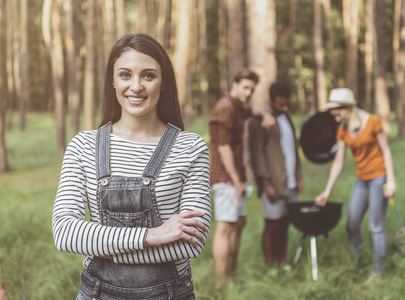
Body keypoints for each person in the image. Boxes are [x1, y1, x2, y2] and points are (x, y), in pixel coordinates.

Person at [52, 33, 211, 300]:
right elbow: (65, 232)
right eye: (125, 75)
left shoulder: (190, 147)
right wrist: (152, 236)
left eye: (148, 75)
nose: (136, 86)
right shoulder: (83, 145)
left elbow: (191, 243)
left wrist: (102, 242)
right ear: (113, 81)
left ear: (163, 84)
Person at [315, 87, 396, 283]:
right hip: (361, 181)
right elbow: (339, 162)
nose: (336, 119)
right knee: (351, 225)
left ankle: (376, 273)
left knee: (376, 226)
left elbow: (385, 150)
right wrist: (327, 190)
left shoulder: (373, 122)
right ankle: (357, 263)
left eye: (338, 114)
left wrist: (391, 180)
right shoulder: (342, 130)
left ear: (349, 108)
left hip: (379, 178)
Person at [208, 69, 275, 283]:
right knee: (225, 227)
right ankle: (221, 283)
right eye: (245, 87)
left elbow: (250, 110)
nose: (248, 92)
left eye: (251, 89)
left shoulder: (237, 107)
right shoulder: (225, 108)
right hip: (225, 178)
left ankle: (232, 273)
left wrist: (264, 114)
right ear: (234, 84)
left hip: (234, 178)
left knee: (239, 222)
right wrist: (237, 182)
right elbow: (223, 148)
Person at [248, 81, 305, 273]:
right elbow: (257, 154)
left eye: (287, 103)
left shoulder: (287, 118)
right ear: (270, 100)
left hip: (290, 182)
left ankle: (282, 262)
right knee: (272, 224)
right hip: (272, 183)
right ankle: (270, 266)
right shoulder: (260, 121)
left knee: (285, 223)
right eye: (281, 104)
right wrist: (266, 183)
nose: (285, 107)